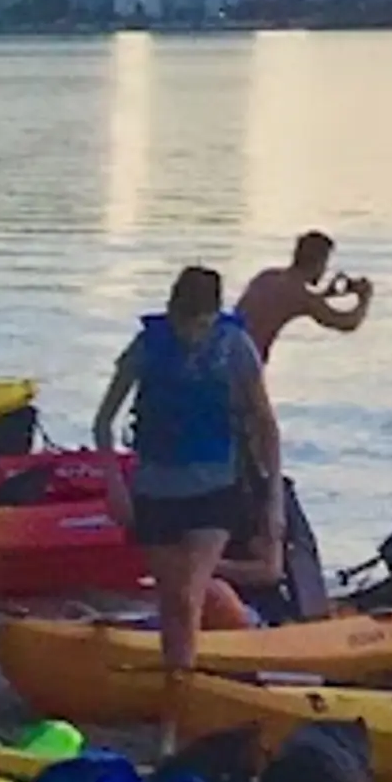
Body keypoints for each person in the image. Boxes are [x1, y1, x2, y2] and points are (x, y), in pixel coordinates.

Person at [96, 268, 278, 704]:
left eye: (200, 325)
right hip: (156, 488)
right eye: (184, 323)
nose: (190, 334)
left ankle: (181, 708)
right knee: (171, 597)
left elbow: (265, 424)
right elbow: (104, 421)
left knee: (186, 595)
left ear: (214, 316)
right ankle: (175, 687)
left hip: (216, 487)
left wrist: (273, 501)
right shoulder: (147, 345)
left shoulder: (235, 347)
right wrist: (113, 485)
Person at [235, 230, 372, 359]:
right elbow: (348, 323)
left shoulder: (267, 276)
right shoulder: (303, 297)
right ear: (320, 262)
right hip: (246, 361)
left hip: (225, 346)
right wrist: (365, 298)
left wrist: (326, 295)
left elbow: (281, 302)